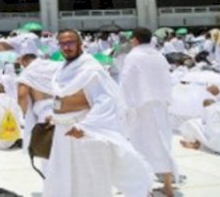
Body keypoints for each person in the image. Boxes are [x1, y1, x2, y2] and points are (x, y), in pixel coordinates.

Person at [43, 29, 153, 197]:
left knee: (88, 180)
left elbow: (105, 100)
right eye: (63, 44)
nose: (66, 47)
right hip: (62, 131)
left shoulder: (90, 69)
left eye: (70, 43)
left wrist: (85, 128)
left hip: (82, 132)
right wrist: (55, 116)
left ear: (80, 44)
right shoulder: (62, 70)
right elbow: (62, 97)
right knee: (62, 176)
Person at [120, 27, 177, 196]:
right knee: (163, 144)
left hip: (142, 107)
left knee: (141, 146)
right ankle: (168, 185)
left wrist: (123, 106)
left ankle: (144, 189)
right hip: (161, 105)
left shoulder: (134, 56)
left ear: (135, 39)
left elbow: (126, 82)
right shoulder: (158, 55)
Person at [17, 54, 58, 150]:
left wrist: (23, 113)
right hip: (61, 109)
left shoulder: (28, 71)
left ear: (24, 62)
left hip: (43, 113)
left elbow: (22, 94)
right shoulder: (54, 66)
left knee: (46, 151)